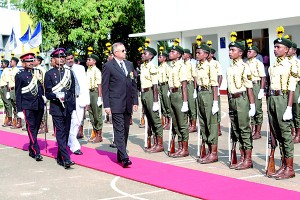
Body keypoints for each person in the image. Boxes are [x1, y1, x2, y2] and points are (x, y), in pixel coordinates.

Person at [102, 42, 138, 167]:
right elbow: (105, 87)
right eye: (122, 51)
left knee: (126, 130)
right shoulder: (108, 66)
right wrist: (106, 105)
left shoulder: (129, 64)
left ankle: (120, 153)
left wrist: (135, 101)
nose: (125, 52)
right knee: (119, 129)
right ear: (115, 53)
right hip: (115, 102)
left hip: (128, 102)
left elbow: (133, 83)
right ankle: (124, 157)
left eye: (125, 50)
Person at [267, 31, 297, 179]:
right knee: (277, 134)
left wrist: (289, 107)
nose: (275, 49)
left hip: (283, 99)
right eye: (274, 47)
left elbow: (291, 87)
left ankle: (290, 168)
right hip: (272, 99)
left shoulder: (290, 65)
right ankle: (283, 165)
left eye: (278, 47)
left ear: (286, 49)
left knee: (285, 135)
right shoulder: (272, 66)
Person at [227, 31, 256, 170]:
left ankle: (248, 159)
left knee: (244, 129)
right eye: (230, 50)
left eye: (233, 50)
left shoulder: (245, 67)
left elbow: (249, 87)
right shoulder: (230, 67)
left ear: (240, 53)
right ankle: (242, 156)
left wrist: (252, 105)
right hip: (232, 100)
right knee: (236, 129)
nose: (230, 52)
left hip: (242, 99)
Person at [44, 48, 76, 169]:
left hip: (68, 107)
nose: (62, 59)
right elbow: (47, 93)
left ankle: (60, 157)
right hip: (57, 107)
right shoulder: (49, 74)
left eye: (63, 57)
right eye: (59, 57)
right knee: (60, 133)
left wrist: (71, 104)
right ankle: (66, 159)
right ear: (54, 59)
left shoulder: (69, 73)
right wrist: (56, 96)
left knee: (66, 133)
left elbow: (72, 90)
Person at [15, 53, 45, 161]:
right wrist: (19, 110)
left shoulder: (38, 73)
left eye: (32, 60)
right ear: (23, 63)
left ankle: (32, 148)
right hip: (27, 106)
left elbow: (40, 88)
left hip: (39, 105)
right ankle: (36, 151)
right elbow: (18, 93)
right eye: (28, 61)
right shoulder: (20, 75)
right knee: (31, 127)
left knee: (35, 128)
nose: (31, 63)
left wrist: (44, 98)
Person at [194, 39, 219, 164]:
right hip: (200, 93)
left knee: (211, 123)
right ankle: (208, 151)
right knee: (203, 122)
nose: (197, 54)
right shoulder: (198, 66)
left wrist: (215, 101)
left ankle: (214, 153)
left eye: (199, 52)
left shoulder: (211, 66)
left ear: (205, 54)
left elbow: (214, 84)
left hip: (208, 93)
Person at [140, 42, 164, 153]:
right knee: (149, 118)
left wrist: (155, 101)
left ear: (150, 56)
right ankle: (153, 141)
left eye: (145, 54)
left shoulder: (152, 67)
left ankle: (159, 143)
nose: (142, 55)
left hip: (150, 93)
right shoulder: (142, 66)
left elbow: (155, 86)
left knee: (155, 119)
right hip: (144, 93)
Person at [65, 51, 90, 155]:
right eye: (68, 59)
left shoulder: (80, 68)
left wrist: (87, 101)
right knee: (72, 122)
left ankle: (70, 141)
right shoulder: (63, 70)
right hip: (68, 100)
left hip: (79, 98)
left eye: (71, 58)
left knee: (78, 121)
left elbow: (84, 84)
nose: (70, 60)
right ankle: (75, 146)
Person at [168, 42, 189, 158]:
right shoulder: (172, 66)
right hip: (172, 94)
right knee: (175, 122)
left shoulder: (182, 67)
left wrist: (185, 102)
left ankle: (185, 148)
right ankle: (180, 147)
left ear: (179, 55)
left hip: (179, 94)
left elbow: (184, 85)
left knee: (182, 123)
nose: (170, 53)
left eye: (173, 52)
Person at [246, 39, 266, 140]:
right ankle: (253, 129)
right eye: (248, 51)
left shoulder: (258, 63)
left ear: (255, 54)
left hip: (256, 85)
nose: (248, 53)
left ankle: (258, 132)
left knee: (257, 109)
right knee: (250, 107)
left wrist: (261, 89)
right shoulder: (246, 63)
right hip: (247, 86)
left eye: (250, 52)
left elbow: (263, 77)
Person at [86, 53, 103, 143]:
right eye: (87, 60)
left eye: (89, 60)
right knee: (91, 114)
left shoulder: (97, 71)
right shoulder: (88, 70)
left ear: (94, 61)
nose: (87, 61)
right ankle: (95, 134)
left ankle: (99, 135)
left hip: (95, 92)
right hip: (89, 92)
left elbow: (99, 84)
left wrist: (100, 97)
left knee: (97, 115)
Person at [287, 41, 300, 143]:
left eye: (289, 49)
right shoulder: (284, 62)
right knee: (289, 111)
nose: (287, 50)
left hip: (296, 88)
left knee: (297, 112)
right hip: (286, 90)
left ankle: (298, 134)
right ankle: (292, 132)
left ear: (294, 51)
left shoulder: (297, 63)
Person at [182, 49, 197, 133]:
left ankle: (193, 125)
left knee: (192, 105)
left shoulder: (191, 64)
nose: (183, 55)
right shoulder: (181, 64)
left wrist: (194, 89)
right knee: (185, 104)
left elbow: (194, 77)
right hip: (183, 85)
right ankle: (188, 123)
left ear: (188, 55)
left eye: (184, 54)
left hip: (189, 84)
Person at [33, 55, 48, 134]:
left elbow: (44, 82)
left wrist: (45, 93)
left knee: (43, 108)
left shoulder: (41, 69)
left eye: (34, 60)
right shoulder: (34, 69)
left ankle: (44, 126)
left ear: (39, 61)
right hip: (35, 90)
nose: (33, 61)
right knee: (37, 108)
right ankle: (39, 125)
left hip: (41, 90)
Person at [158, 48, 171, 130]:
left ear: (165, 58)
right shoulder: (159, 67)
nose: (159, 58)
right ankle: (165, 121)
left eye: (161, 57)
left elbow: (169, 78)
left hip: (166, 85)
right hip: (160, 85)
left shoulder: (167, 67)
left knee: (167, 103)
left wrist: (169, 89)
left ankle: (169, 121)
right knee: (162, 103)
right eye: (159, 57)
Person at [9, 56, 22, 129]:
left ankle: (19, 122)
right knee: (13, 105)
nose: (10, 62)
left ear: (15, 62)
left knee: (17, 105)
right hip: (11, 89)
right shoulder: (11, 70)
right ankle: (15, 121)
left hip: (15, 89)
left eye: (11, 61)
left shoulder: (17, 70)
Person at [1, 59, 13, 127]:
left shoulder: (7, 71)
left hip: (5, 88)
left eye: (2, 63)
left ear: (5, 64)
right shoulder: (4, 71)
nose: (1, 64)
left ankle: (10, 119)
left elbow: (8, 81)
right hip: (2, 88)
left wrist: (8, 91)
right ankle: (8, 118)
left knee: (8, 104)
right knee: (6, 104)